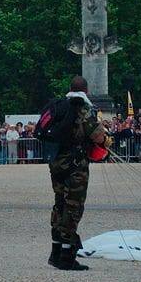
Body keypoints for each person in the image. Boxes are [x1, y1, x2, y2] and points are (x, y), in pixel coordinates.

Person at [48, 75, 107, 271]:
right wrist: (107, 141)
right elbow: (98, 136)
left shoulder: (60, 106)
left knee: (59, 203)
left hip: (57, 162)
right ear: (87, 90)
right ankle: (67, 256)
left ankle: (55, 252)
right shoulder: (83, 109)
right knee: (73, 207)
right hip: (75, 164)